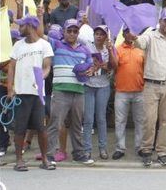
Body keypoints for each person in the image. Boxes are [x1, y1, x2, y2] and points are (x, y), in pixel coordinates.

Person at [124, 10, 166, 167]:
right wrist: (133, 36)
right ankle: (146, 150)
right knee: (149, 120)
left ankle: (162, 152)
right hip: (151, 85)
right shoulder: (150, 36)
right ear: (160, 21)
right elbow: (139, 43)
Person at [43, 18, 95, 165]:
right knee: (55, 124)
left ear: (78, 32)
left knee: (77, 125)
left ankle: (79, 154)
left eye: (75, 31)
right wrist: (40, 15)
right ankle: (50, 155)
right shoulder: (56, 44)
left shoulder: (85, 49)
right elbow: (40, 34)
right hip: (60, 91)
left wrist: (90, 71)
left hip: (79, 91)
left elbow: (91, 67)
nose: (72, 33)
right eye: (69, 30)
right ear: (64, 32)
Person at [7, 15, 55, 171]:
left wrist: (42, 75)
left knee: (41, 129)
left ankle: (45, 159)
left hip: (37, 94)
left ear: (31, 26)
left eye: (22, 25)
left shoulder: (44, 45)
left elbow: (47, 66)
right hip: (21, 93)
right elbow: (11, 68)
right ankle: (19, 160)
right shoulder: (18, 46)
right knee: (20, 128)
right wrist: (10, 89)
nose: (19, 28)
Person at [83, 25, 117, 160]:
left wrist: (109, 51)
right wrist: (91, 65)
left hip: (103, 85)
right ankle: (87, 149)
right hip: (89, 85)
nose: (99, 36)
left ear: (105, 37)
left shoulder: (109, 47)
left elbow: (114, 66)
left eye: (102, 34)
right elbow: (82, 61)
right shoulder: (87, 46)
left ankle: (103, 149)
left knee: (101, 118)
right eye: (96, 33)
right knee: (88, 119)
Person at [112, 27, 145, 160]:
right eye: (128, 32)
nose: (131, 34)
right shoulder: (117, 49)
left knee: (140, 121)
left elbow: (147, 68)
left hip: (140, 91)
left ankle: (140, 147)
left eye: (133, 31)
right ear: (124, 34)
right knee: (120, 121)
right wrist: (110, 50)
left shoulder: (142, 49)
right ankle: (120, 148)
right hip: (121, 91)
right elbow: (114, 66)